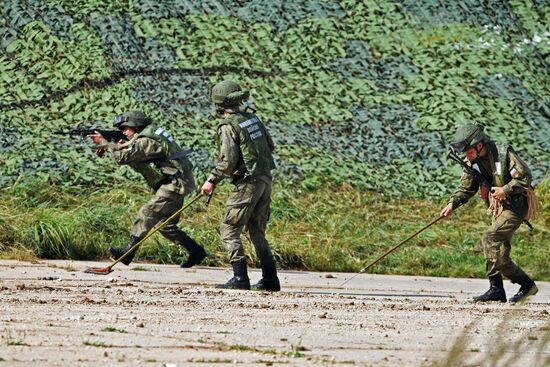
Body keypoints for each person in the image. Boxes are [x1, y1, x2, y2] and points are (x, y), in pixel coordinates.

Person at [89, 110, 206, 268]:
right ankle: (196, 251)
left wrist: (104, 142)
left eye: (125, 128)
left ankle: (127, 253)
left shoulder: (146, 141)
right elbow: (129, 151)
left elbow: (122, 157)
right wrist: (112, 145)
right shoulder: (150, 135)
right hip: (180, 179)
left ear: (136, 126)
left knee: (147, 212)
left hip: (176, 182)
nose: (123, 132)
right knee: (165, 225)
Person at [440, 123, 538, 303]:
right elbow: (466, 188)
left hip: (515, 205)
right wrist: (452, 204)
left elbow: (525, 177)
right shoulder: (472, 163)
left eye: (469, 151)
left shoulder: (502, 153)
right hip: (500, 209)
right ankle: (527, 285)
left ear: (479, 145)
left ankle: (496, 289)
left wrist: (505, 190)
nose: (466, 156)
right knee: (500, 256)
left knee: (490, 237)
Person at [200, 80, 280, 291]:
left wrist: (211, 180)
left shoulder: (228, 125)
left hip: (247, 183)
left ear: (219, 102)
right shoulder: (252, 119)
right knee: (256, 231)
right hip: (265, 179)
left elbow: (226, 163)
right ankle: (271, 279)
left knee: (229, 228)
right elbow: (270, 146)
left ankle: (240, 278)